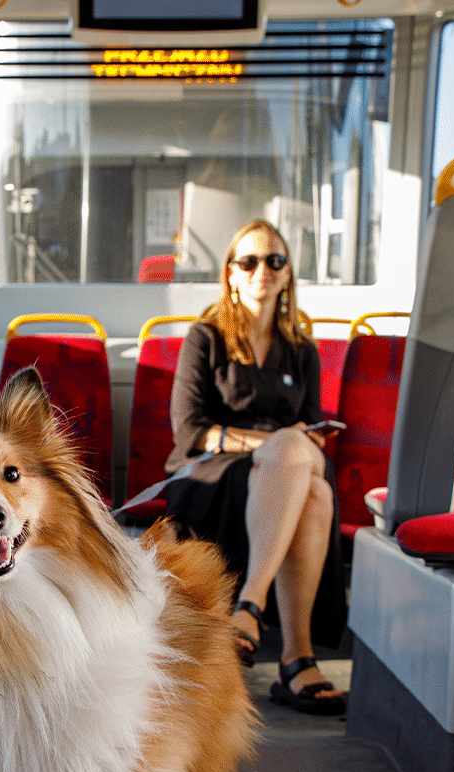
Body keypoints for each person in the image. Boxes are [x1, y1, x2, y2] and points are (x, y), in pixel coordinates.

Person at [162, 219, 347, 715]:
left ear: (287, 275)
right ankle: (295, 657)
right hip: (210, 474)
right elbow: (189, 430)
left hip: (283, 475)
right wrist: (274, 445)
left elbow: (312, 432)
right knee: (301, 470)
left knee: (311, 483)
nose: (261, 270)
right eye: (249, 261)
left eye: (274, 261)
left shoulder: (302, 351)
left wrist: (286, 447)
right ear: (231, 274)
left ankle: (249, 608)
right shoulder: (206, 338)